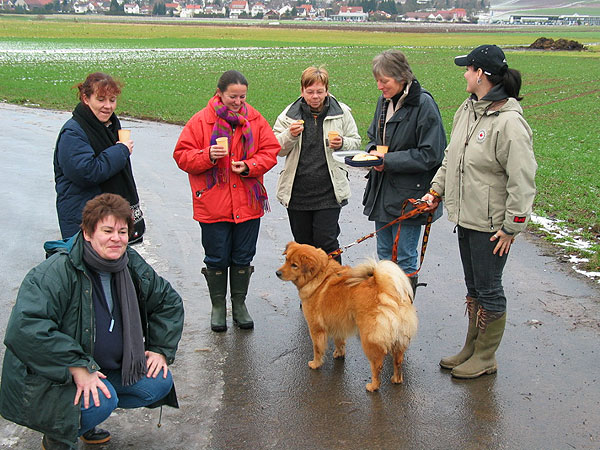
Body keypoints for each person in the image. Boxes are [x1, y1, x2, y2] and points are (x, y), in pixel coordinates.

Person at [0, 193, 184, 449]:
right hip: (52, 375)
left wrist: (161, 350)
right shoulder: (56, 272)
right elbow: (26, 328)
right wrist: (77, 366)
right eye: (107, 230)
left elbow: (167, 301)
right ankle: (58, 436)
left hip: (102, 365)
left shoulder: (129, 263)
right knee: (101, 402)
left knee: (158, 381)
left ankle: (86, 417)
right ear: (87, 233)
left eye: (122, 231)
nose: (116, 238)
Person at [422, 45, 537, 379]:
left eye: (468, 69)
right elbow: (451, 157)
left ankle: (486, 356)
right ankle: (471, 348)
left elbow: (523, 178)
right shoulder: (467, 110)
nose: (464, 74)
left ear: (482, 74)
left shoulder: (509, 123)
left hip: (492, 225)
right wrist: (435, 190)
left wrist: (512, 226)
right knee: (474, 288)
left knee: (489, 289)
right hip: (467, 216)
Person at [173, 70, 280, 332]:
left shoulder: (254, 119)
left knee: (243, 256)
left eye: (242, 96)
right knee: (217, 257)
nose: (238, 101)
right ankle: (219, 307)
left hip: (247, 202)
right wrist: (207, 154)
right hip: (213, 204)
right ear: (219, 93)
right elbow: (182, 156)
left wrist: (250, 166)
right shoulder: (201, 121)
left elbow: (271, 150)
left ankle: (239, 304)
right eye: (233, 96)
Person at [362, 50, 446, 294]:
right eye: (377, 80)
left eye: (384, 81)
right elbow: (373, 137)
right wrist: (370, 152)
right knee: (384, 258)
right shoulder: (384, 102)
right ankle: (383, 315)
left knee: (405, 260)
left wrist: (388, 161)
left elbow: (432, 154)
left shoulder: (424, 105)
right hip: (382, 192)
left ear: (401, 77)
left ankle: (402, 319)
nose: (379, 86)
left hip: (410, 197)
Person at [273, 66, 362, 263]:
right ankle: (310, 292)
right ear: (302, 91)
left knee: (327, 241)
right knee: (304, 246)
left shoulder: (342, 112)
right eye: (310, 92)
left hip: (329, 191)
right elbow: (275, 148)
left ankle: (335, 288)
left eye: (320, 92)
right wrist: (290, 135)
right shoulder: (289, 115)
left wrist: (342, 142)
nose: (315, 96)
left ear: (327, 90)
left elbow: (355, 142)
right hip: (298, 192)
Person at [54, 72, 145, 244]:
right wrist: (121, 151)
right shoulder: (73, 132)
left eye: (112, 100)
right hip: (83, 216)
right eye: (101, 99)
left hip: (106, 215)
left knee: (112, 265)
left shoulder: (109, 127)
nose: (108, 106)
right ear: (86, 98)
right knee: (85, 266)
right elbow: (87, 172)